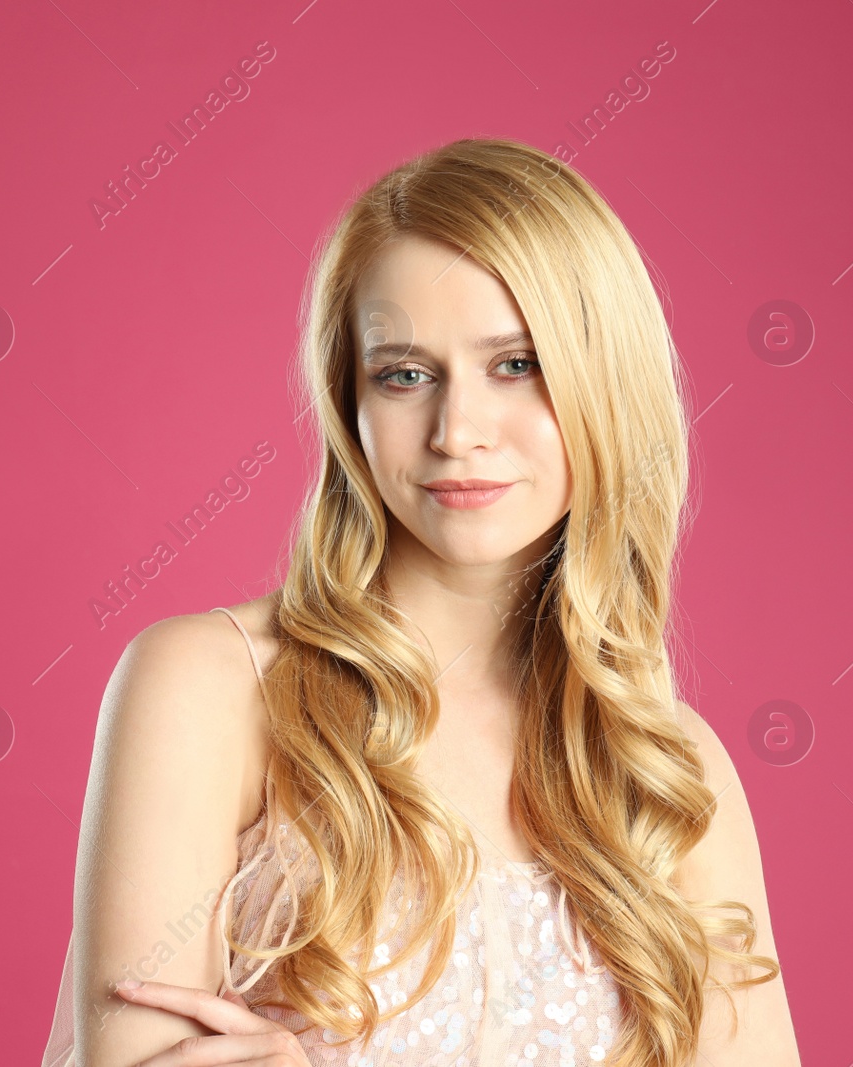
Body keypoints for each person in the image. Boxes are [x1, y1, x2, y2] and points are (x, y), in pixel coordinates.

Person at [40, 137, 801, 1067]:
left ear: (606, 379)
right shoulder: (206, 685)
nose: (457, 431)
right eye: (404, 374)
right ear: (348, 404)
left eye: (516, 364)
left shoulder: (668, 768)